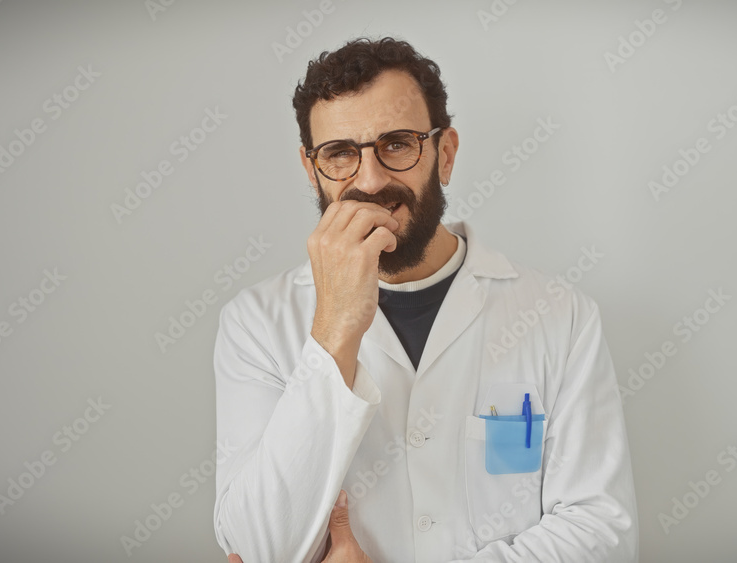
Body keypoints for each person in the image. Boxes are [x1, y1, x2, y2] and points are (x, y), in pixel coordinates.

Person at [214, 36, 638, 563]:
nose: (370, 180)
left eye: (397, 144)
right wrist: (334, 331)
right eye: (340, 153)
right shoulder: (255, 324)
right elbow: (256, 549)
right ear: (311, 168)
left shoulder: (562, 316)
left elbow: (603, 537)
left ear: (445, 154)